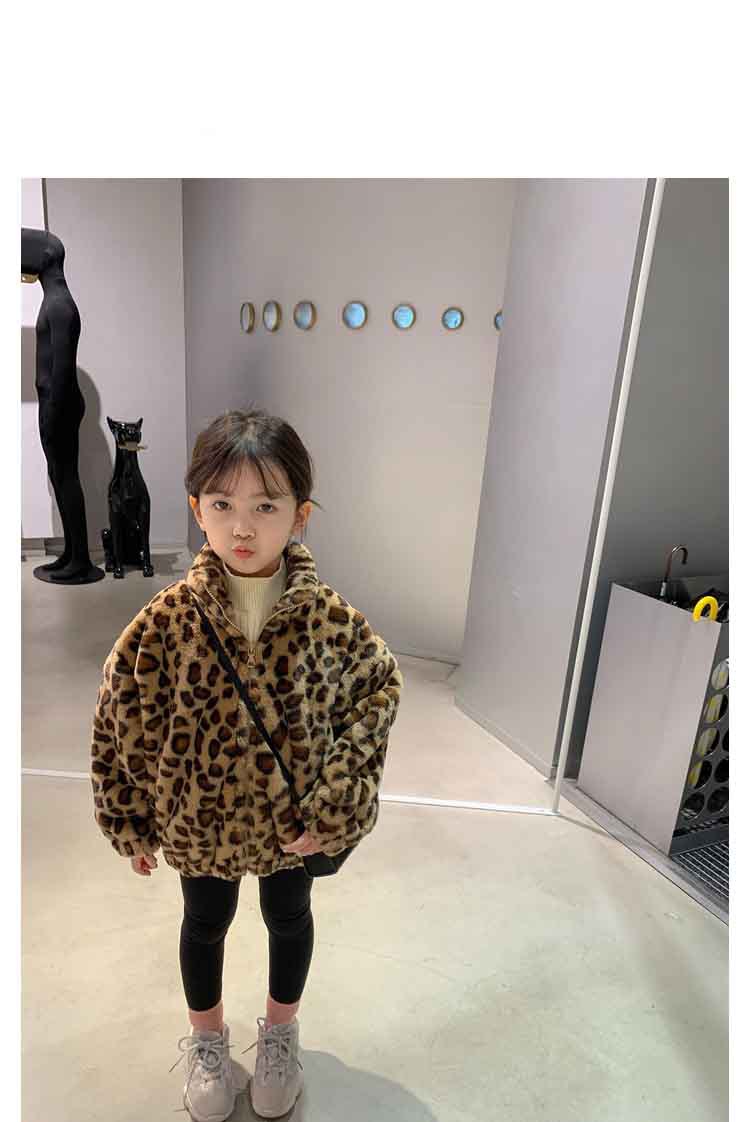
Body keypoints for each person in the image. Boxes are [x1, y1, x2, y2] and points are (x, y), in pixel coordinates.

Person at [89, 406, 404, 1121]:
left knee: (288, 915)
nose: (242, 527)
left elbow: (377, 691)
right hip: (198, 818)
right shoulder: (164, 623)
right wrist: (129, 815)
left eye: (266, 506)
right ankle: (208, 1042)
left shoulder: (331, 621)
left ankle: (279, 1036)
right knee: (205, 921)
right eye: (222, 504)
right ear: (195, 508)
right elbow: (119, 714)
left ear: (300, 515)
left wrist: (339, 801)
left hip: (295, 821)